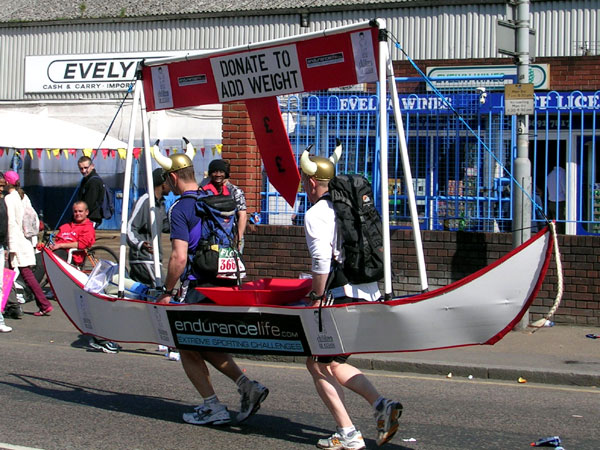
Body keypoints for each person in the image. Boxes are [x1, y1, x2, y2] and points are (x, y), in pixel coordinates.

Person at [153, 147, 268, 426]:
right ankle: (247, 386)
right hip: (223, 281)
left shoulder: (180, 207)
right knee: (203, 342)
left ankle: (212, 406)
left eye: (167, 179)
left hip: (198, 284)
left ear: (173, 177)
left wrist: (167, 291)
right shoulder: (213, 198)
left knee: (186, 346)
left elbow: (179, 257)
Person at [299, 149, 402, 449]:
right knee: (331, 362)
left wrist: (317, 297)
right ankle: (372, 411)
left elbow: (321, 261)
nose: (303, 185)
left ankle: (352, 430)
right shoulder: (351, 205)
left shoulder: (316, 214)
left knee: (318, 364)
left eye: (303, 180)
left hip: (340, 297)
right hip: (368, 291)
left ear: (311, 182)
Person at [3, 171, 53, 317]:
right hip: (25, 240)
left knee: (7, 275)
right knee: (23, 274)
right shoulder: (23, 196)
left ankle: (9, 306)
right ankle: (43, 305)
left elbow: (11, 223)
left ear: (7, 183)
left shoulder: (9, 199)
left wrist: (10, 247)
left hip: (16, 242)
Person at [126, 168, 171, 287]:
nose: (172, 186)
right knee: (163, 289)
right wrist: (140, 244)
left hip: (153, 259)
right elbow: (129, 228)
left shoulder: (161, 204)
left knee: (142, 293)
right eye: (170, 182)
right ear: (163, 184)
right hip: (144, 259)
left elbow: (165, 226)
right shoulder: (145, 201)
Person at [202, 159, 247, 251]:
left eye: (221, 172)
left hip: (232, 235)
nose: (218, 174)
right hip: (213, 236)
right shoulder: (206, 190)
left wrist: (238, 238)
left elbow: (242, 215)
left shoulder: (235, 191)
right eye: (215, 171)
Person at [46, 201, 95, 266]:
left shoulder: (88, 227)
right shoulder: (65, 226)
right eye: (75, 211)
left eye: (80, 211)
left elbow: (82, 244)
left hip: (71, 256)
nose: (77, 214)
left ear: (86, 212)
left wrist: (60, 245)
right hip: (56, 252)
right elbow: (57, 241)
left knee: (46, 260)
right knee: (37, 258)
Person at [77, 156, 105, 227]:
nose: (83, 171)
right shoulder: (86, 179)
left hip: (91, 217)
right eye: (81, 168)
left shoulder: (93, 181)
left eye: (86, 168)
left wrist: (81, 216)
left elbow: (90, 203)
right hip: (88, 216)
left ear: (92, 166)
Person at [0, 173, 12, 332]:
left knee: (0, 285)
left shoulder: (3, 200)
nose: (1, 188)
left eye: (3, 185)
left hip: (0, 246)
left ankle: (0, 319)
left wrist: (7, 246)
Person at [547, 165, 566, 233]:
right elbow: (564, 188)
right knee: (562, 222)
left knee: (555, 223)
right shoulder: (562, 173)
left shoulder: (550, 174)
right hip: (560, 202)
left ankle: (556, 235)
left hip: (551, 201)